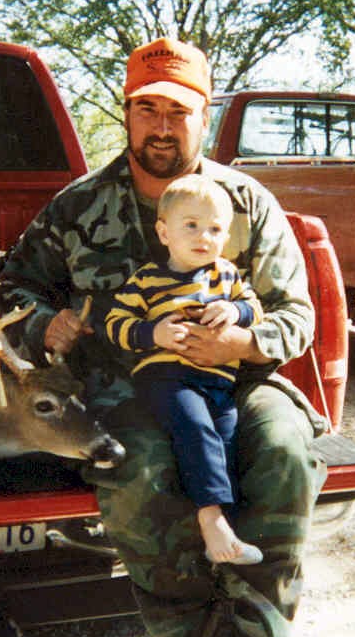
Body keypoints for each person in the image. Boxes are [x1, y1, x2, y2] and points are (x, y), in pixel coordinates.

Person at [0, 37, 327, 637]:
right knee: (140, 467)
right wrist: (47, 325)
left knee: (286, 454)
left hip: (236, 379)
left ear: (205, 116)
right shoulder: (78, 205)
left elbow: (298, 314)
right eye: (147, 109)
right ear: (127, 114)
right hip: (124, 385)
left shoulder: (246, 202)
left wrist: (243, 340)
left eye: (179, 111)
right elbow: (12, 288)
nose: (162, 126)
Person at [104, 174, 264, 567]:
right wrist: (153, 333)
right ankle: (210, 520)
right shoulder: (147, 279)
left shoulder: (226, 275)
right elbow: (115, 323)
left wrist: (234, 310)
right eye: (191, 225)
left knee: (226, 438)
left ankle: (222, 532)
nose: (203, 237)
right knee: (195, 428)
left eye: (215, 229)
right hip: (167, 379)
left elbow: (255, 308)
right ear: (164, 232)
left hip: (218, 381)